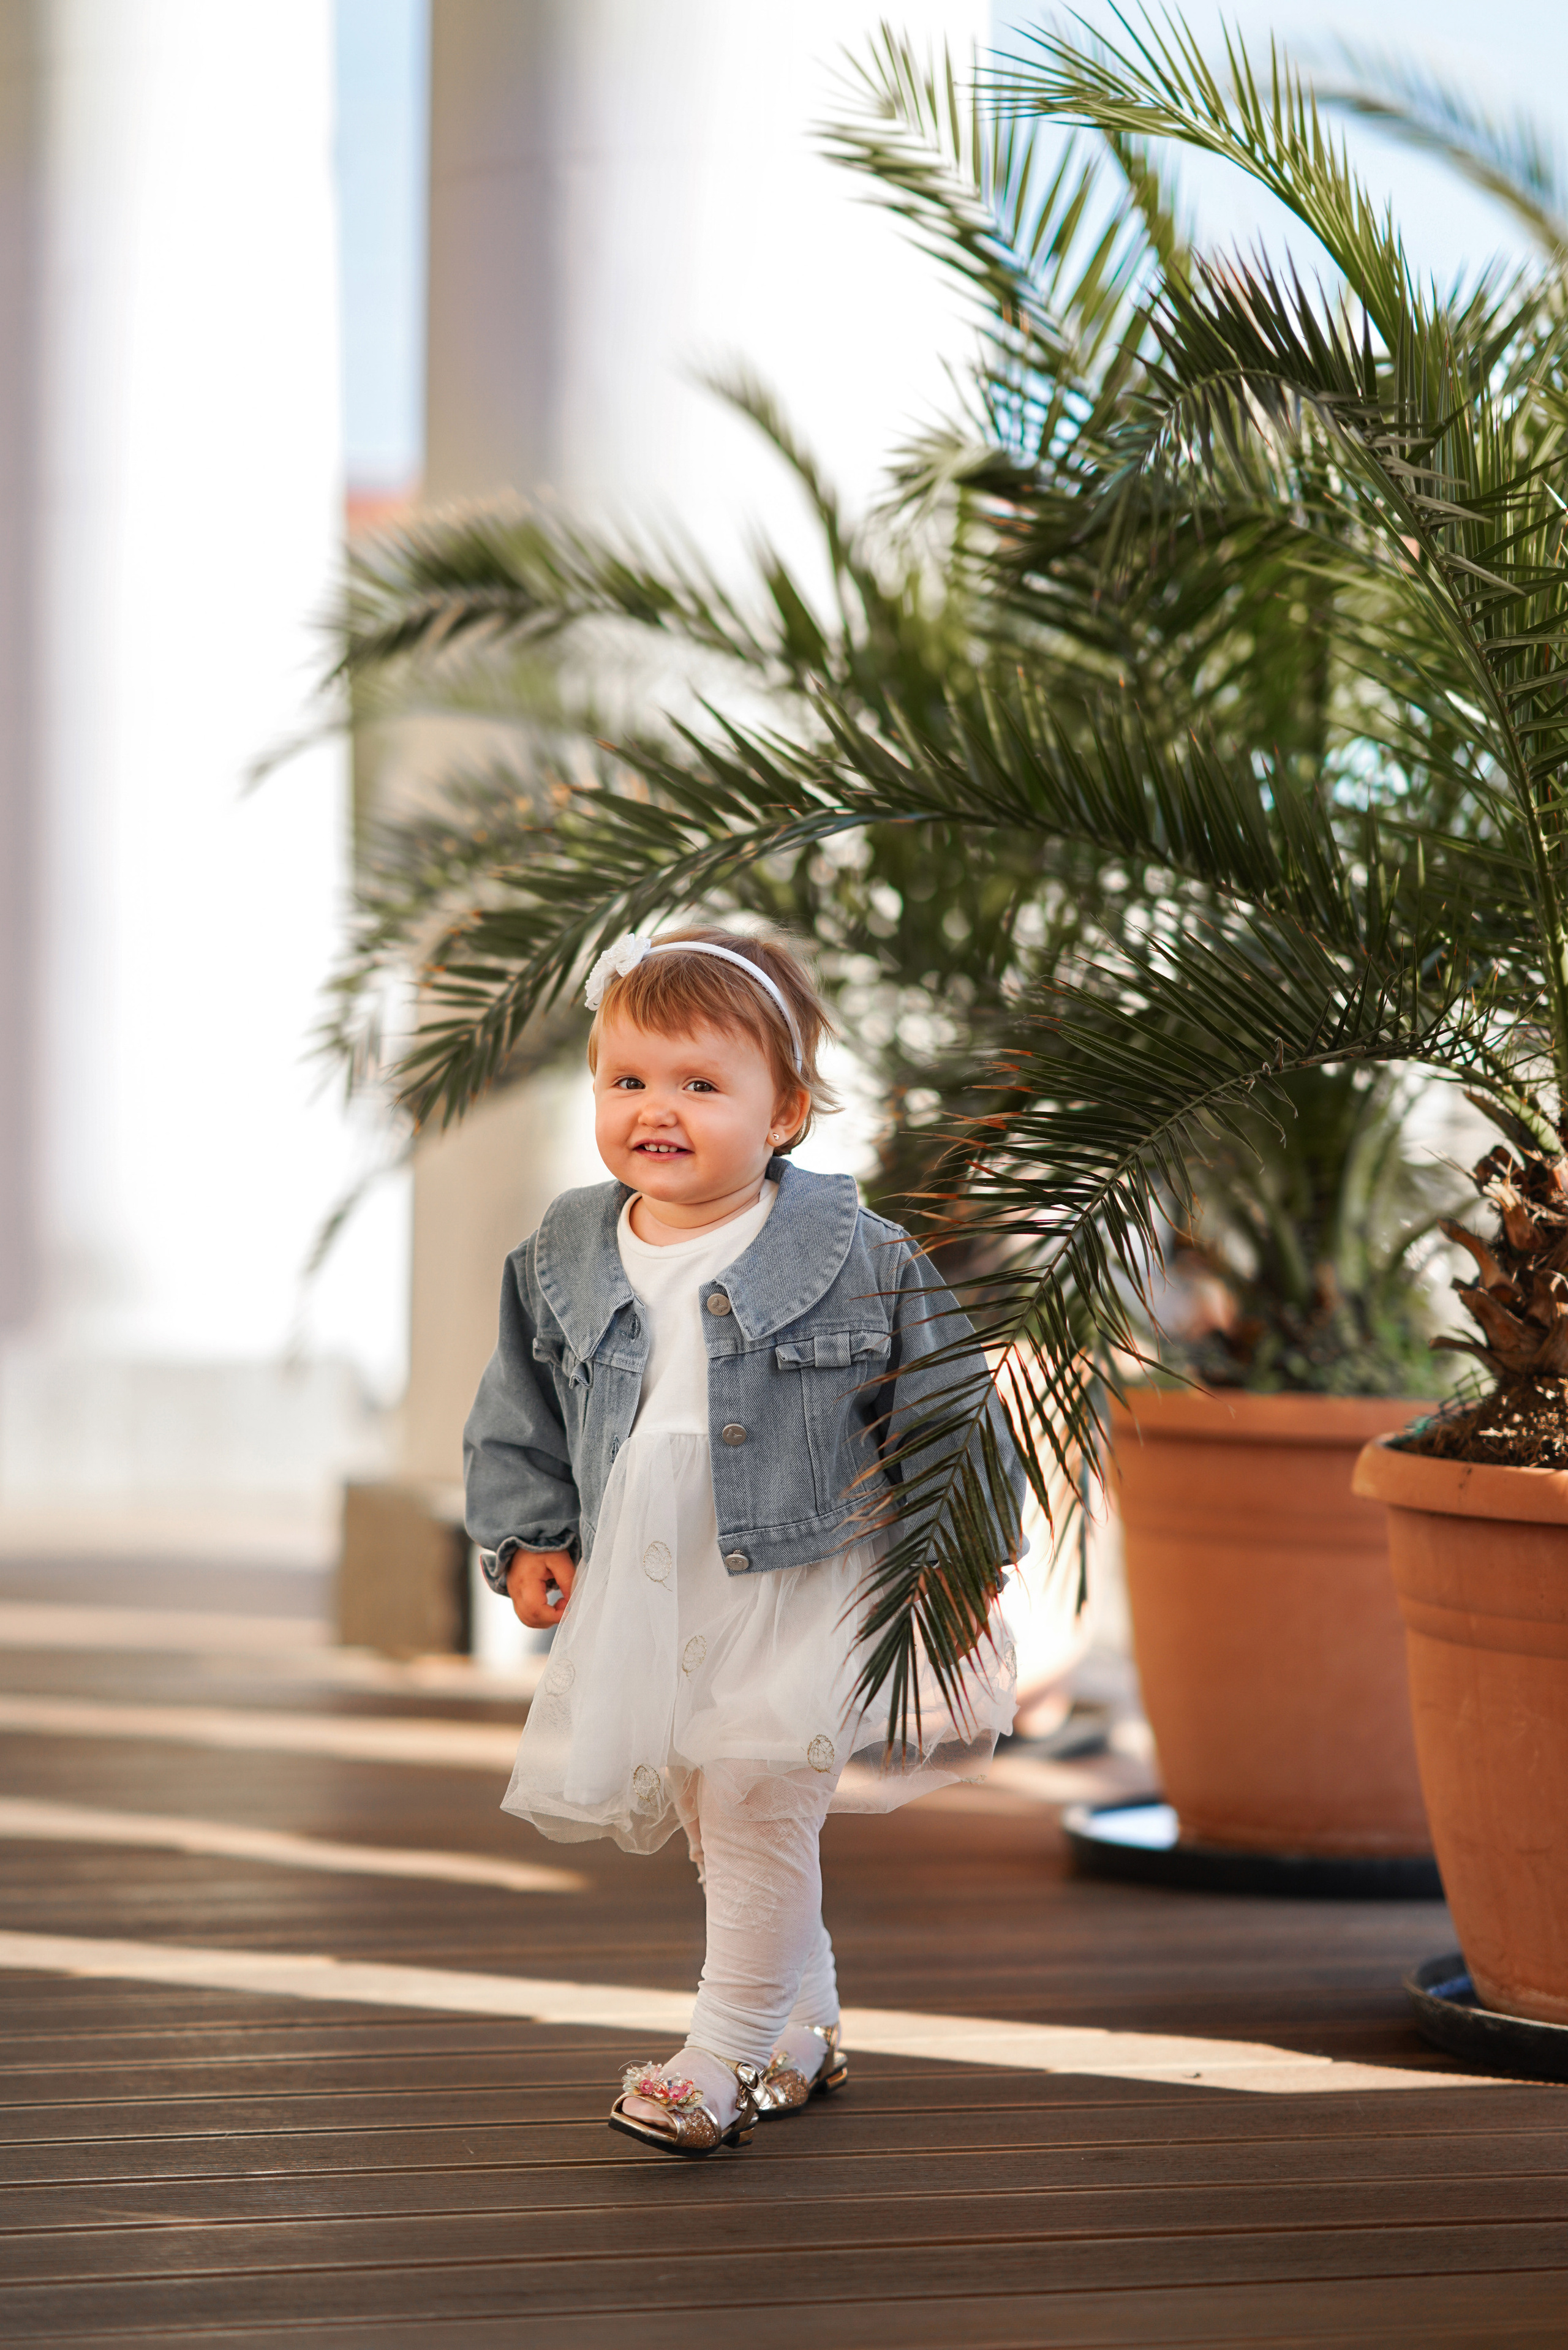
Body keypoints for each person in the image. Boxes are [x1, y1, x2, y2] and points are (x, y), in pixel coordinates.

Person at [464, 924, 1022, 2158]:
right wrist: (525, 1537)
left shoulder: (850, 1253)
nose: (654, 1109)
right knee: (724, 1817)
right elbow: (517, 1410)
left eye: (699, 1084)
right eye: (627, 1080)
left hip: (804, 1575)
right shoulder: (563, 1248)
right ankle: (805, 2028)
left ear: (784, 1112)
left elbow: (948, 1411)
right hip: (654, 1584)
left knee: (760, 1801)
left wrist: (961, 1564)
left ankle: (714, 2053)